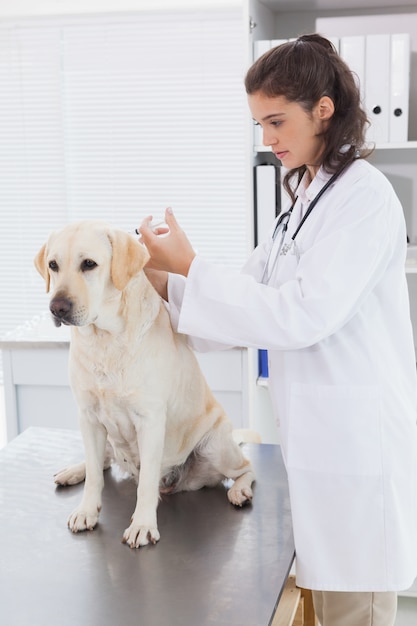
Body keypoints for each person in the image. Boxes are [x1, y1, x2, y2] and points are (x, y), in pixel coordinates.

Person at [138, 34, 417, 626]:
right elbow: (253, 299)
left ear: (323, 109)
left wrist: (190, 267)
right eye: (259, 125)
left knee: (356, 612)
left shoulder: (364, 199)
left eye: (276, 122)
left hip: (357, 450)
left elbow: (301, 315)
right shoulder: (305, 198)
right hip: (322, 447)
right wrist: (161, 281)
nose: (267, 141)